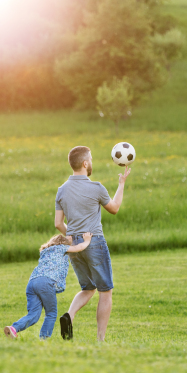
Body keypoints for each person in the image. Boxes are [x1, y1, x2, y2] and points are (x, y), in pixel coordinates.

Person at [55, 146, 131, 341]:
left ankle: (69, 316)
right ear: (85, 163)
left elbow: (57, 224)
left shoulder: (61, 190)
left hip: (73, 246)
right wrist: (121, 184)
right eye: (91, 159)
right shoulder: (96, 187)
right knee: (105, 291)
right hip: (94, 242)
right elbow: (114, 209)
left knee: (88, 288)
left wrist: (73, 236)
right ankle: (100, 340)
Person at [4, 232, 93, 339]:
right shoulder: (61, 248)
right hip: (46, 282)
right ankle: (44, 338)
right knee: (51, 313)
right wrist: (87, 240)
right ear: (63, 243)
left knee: (33, 315)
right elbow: (79, 247)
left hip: (32, 282)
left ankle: (13, 328)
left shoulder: (45, 251)